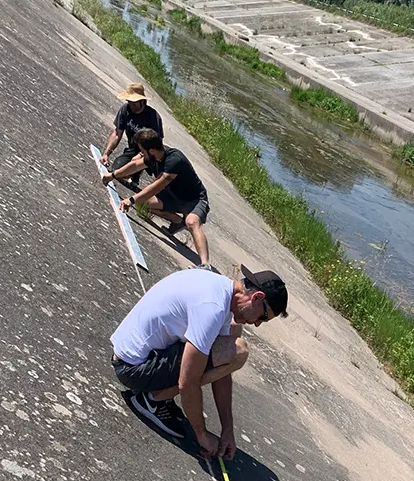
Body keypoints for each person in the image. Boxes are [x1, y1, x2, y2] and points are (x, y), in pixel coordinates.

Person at [110, 265, 288, 457]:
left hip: (135, 357)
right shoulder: (212, 309)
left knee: (232, 339)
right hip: (134, 369)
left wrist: (227, 429)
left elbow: (222, 371)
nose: (257, 323)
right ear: (257, 297)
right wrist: (201, 434)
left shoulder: (220, 289)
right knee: (239, 350)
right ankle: (152, 400)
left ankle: (158, 393)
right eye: (262, 317)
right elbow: (188, 382)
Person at [102, 128, 212, 269]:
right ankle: (178, 221)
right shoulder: (154, 157)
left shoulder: (174, 160)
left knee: (192, 222)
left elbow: (156, 187)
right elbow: (135, 165)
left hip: (195, 200)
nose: (141, 153)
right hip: (173, 198)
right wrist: (113, 175)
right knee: (145, 204)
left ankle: (205, 265)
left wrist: (131, 200)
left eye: (142, 150)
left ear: (152, 150)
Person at [99, 82, 163, 189]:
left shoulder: (153, 117)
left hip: (150, 153)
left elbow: (158, 143)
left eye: (134, 102)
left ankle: (138, 172)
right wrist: (106, 154)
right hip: (133, 149)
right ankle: (133, 173)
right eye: (129, 101)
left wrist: (141, 155)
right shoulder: (125, 110)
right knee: (117, 169)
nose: (131, 105)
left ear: (142, 101)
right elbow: (117, 134)